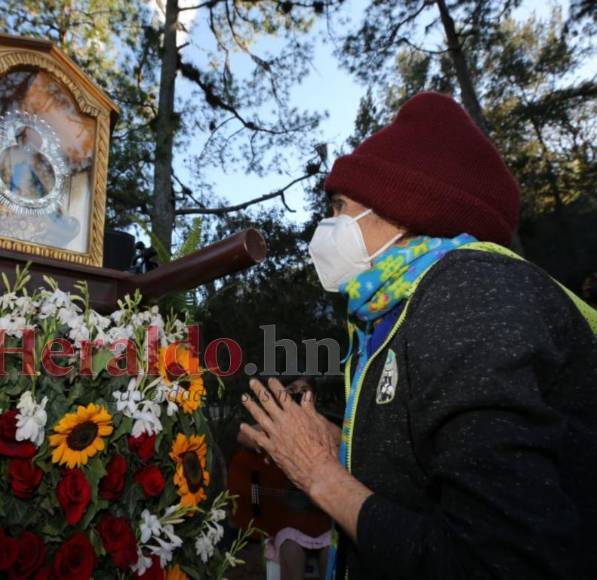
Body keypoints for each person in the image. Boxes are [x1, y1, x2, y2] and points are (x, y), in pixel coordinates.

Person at [239, 92, 597, 580]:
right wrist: (339, 445)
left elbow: (498, 563)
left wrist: (320, 475)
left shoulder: (469, 296)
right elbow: (424, 474)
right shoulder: (400, 308)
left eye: (340, 206)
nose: (328, 225)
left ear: (399, 208)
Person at [237, 378, 331, 580]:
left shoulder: (325, 426)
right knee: (291, 549)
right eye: (292, 391)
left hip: (323, 522)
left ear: (313, 396)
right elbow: (242, 436)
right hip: (289, 522)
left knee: (332, 555)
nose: (298, 394)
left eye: (304, 390)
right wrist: (263, 443)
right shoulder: (277, 427)